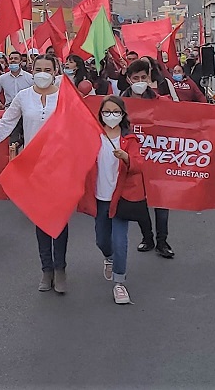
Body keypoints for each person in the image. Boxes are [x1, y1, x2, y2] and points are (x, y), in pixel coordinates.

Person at [0, 55, 69, 293]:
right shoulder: (23, 96)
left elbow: (79, 125)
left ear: (55, 70)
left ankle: (60, 269)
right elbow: (7, 122)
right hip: (34, 165)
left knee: (58, 219)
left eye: (47, 69)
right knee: (40, 219)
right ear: (32, 70)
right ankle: (46, 269)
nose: (42, 72)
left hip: (59, 165)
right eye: (38, 68)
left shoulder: (66, 97)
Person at [82, 95, 147, 305]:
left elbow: (138, 165)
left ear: (123, 115)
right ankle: (108, 257)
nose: (111, 116)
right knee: (102, 239)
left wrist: (126, 158)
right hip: (99, 197)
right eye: (107, 112)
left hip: (120, 199)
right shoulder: (93, 136)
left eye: (115, 112)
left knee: (121, 241)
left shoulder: (129, 140)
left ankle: (120, 282)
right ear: (100, 115)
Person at [120, 59, 175, 259]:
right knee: (139, 201)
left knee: (161, 200)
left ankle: (162, 241)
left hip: (157, 157)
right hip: (133, 159)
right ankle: (148, 238)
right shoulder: (119, 103)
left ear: (149, 79)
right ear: (128, 79)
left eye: (144, 78)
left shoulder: (161, 102)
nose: (140, 81)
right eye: (136, 78)